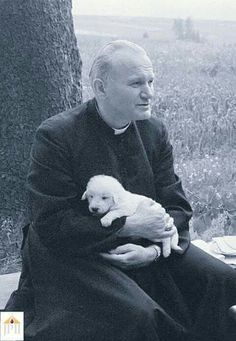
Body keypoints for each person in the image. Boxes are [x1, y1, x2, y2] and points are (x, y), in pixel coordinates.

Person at [5, 40, 236, 341]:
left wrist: (152, 251)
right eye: (136, 83)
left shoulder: (154, 131)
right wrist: (127, 228)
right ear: (101, 87)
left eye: (151, 81)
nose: (149, 93)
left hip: (149, 246)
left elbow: (178, 208)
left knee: (224, 281)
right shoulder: (56, 135)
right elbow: (51, 223)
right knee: (138, 316)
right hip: (75, 253)